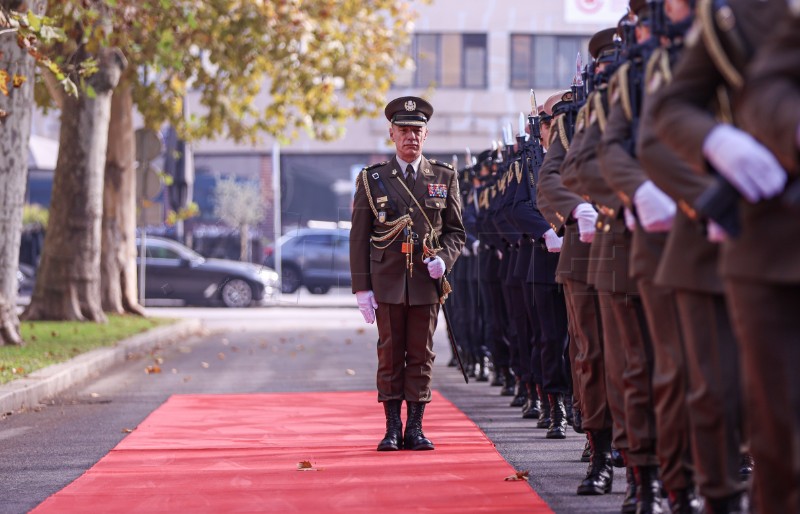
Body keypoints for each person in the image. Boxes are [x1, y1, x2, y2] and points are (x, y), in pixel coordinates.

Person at [350, 96, 466, 452]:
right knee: (389, 353)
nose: (410, 137)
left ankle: (415, 427)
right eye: (404, 130)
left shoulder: (444, 176)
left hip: (424, 283)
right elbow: (358, 236)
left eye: (417, 130)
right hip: (386, 282)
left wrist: (444, 260)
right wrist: (361, 289)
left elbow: (455, 232)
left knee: (421, 354)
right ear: (392, 134)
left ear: (426, 134)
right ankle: (390, 429)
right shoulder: (373, 180)